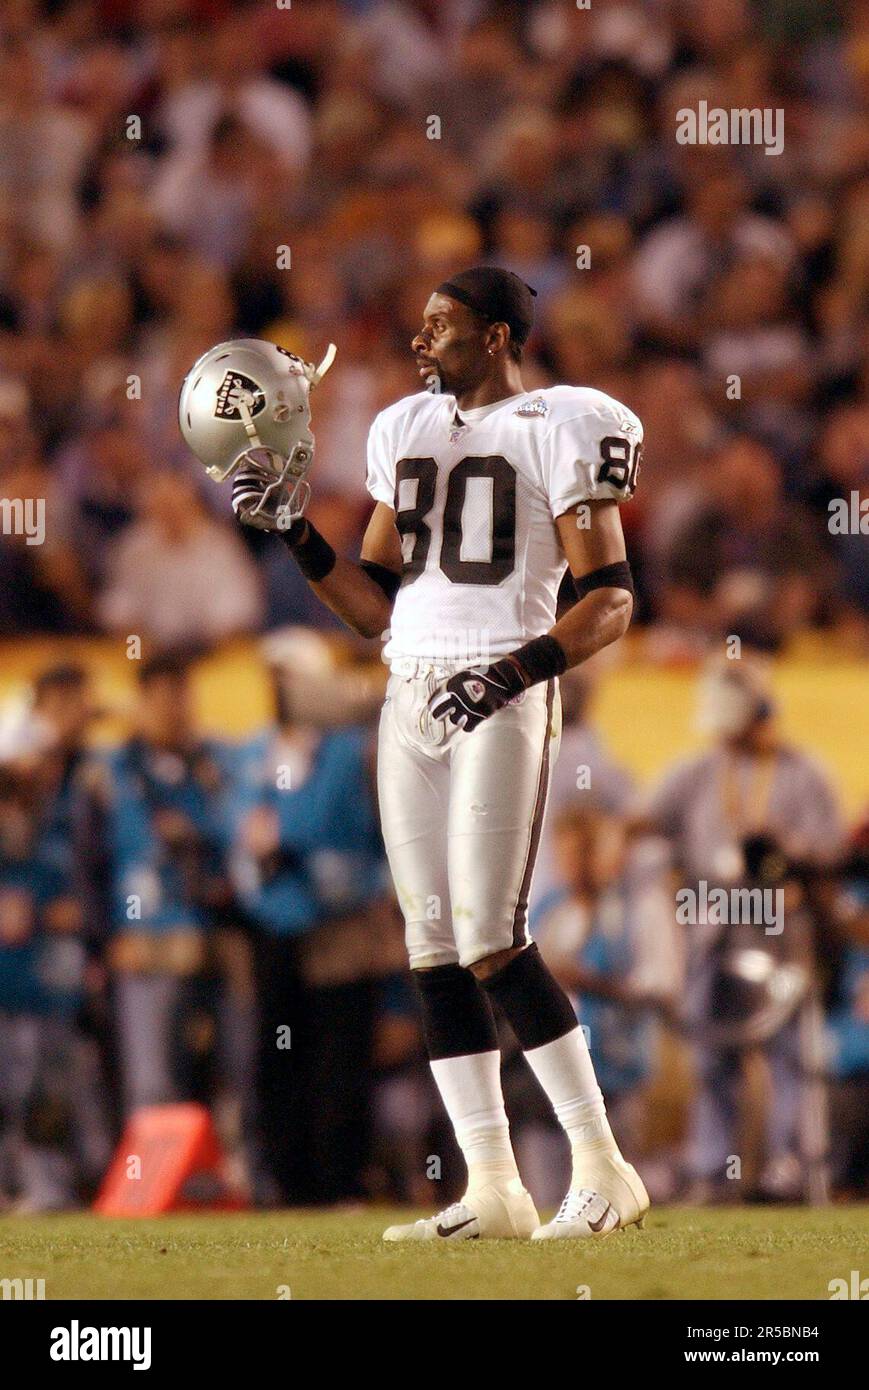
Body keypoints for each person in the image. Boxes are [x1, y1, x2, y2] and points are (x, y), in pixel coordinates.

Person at [180, 265, 648, 1241]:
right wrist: (290, 529)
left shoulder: (564, 421)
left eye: (444, 324)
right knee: (430, 944)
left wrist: (511, 674)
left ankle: (603, 1166)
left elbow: (608, 599)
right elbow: (368, 607)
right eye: (422, 320)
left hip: (501, 685)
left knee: (490, 935)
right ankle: (492, 1185)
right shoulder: (401, 426)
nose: (422, 338)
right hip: (407, 690)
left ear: (499, 335)